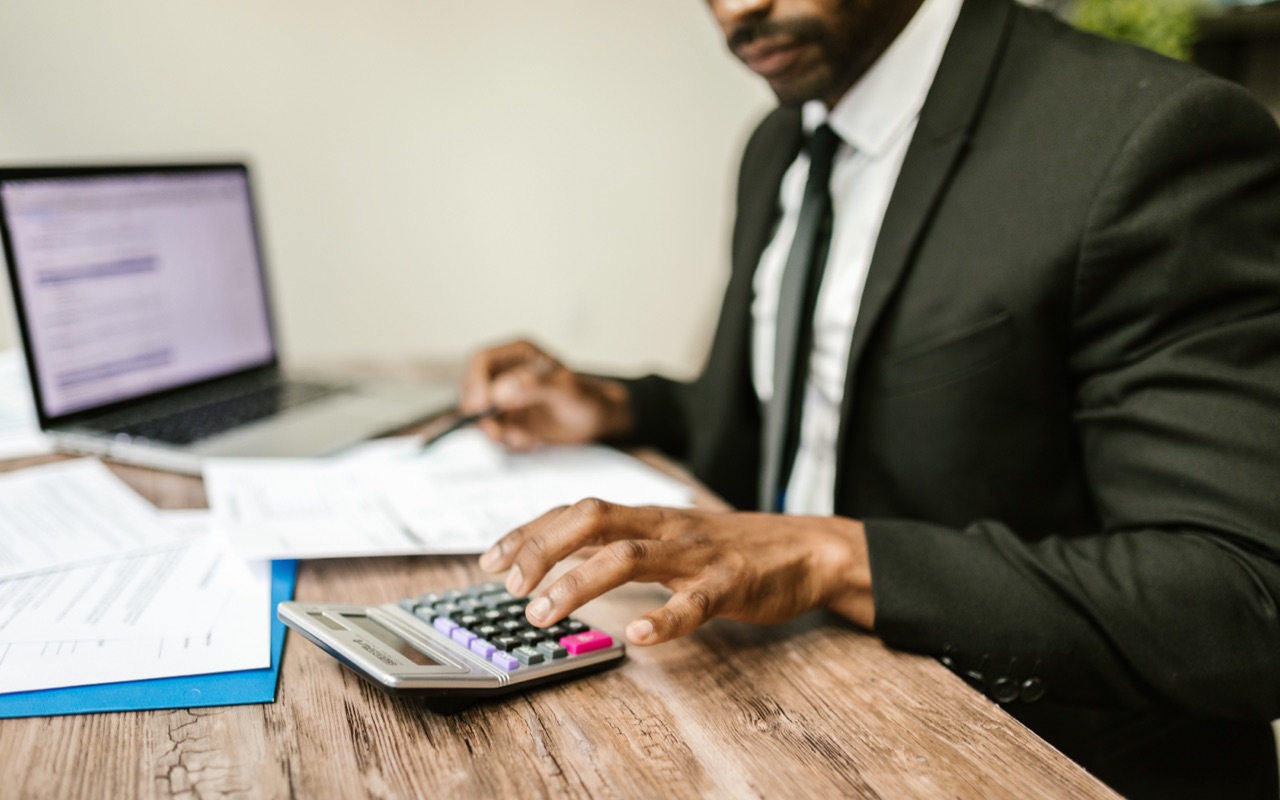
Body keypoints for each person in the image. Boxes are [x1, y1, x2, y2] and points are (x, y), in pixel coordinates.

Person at [459, 0, 1280, 797]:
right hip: (788, 710)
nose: (736, 10)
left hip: (1030, 755)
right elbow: (806, 415)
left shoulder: (1150, 137)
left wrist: (836, 555)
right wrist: (616, 404)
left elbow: (1244, 601)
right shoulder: (781, 141)